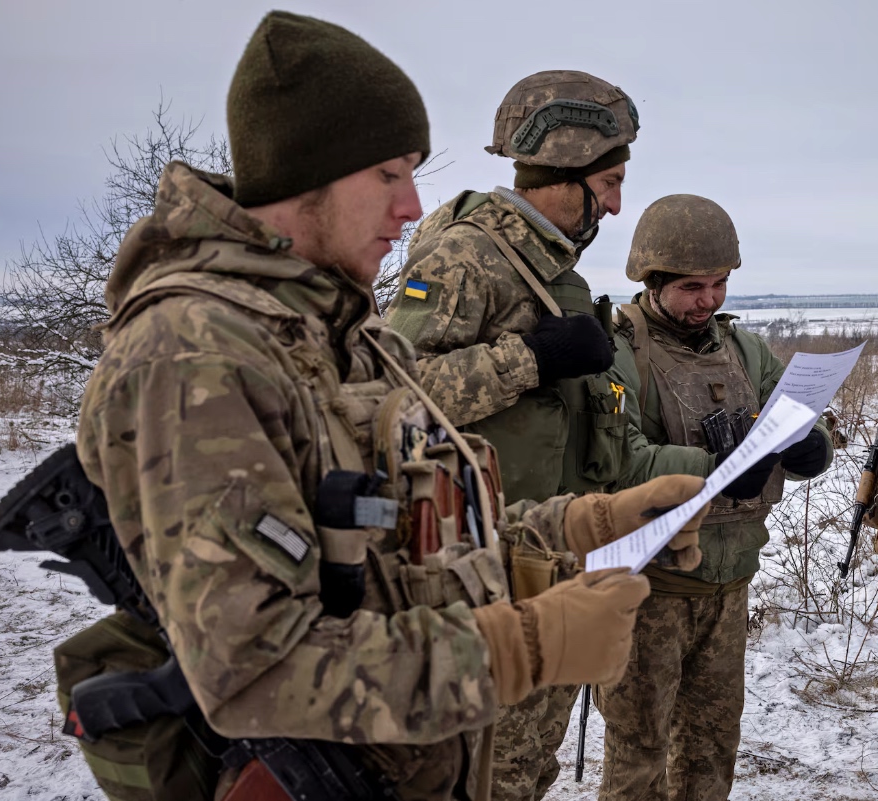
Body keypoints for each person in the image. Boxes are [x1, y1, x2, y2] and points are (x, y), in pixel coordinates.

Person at [68, 13, 708, 800]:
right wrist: (522, 649)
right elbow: (253, 670)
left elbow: (420, 546)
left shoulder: (343, 335)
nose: (413, 208)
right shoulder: (193, 357)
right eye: (387, 174)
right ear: (311, 171)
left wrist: (591, 522)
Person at [383, 69, 639, 801]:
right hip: (484, 572)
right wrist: (531, 358)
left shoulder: (550, 264)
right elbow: (396, 392)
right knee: (491, 771)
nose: (617, 206)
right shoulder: (468, 255)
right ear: (563, 171)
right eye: (610, 182)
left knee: (528, 766)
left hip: (544, 551)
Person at [595, 194, 835, 801]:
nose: (708, 300)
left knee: (711, 745)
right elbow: (618, 460)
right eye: (692, 287)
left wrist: (815, 446)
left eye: (720, 284)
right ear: (652, 281)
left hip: (729, 584)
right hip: (648, 590)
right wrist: (715, 470)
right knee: (637, 752)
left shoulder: (745, 350)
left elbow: (796, 411)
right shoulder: (620, 351)